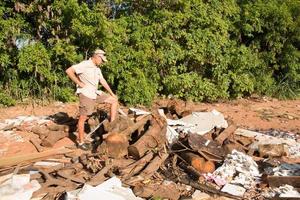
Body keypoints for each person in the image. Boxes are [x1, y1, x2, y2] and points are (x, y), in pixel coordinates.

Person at [66, 49, 118, 150]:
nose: (102, 62)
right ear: (96, 56)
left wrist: (112, 94)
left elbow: (102, 81)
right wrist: (79, 83)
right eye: (101, 60)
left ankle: (112, 128)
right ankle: (80, 142)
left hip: (95, 93)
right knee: (83, 118)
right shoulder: (85, 64)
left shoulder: (97, 69)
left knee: (114, 100)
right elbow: (69, 71)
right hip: (86, 95)